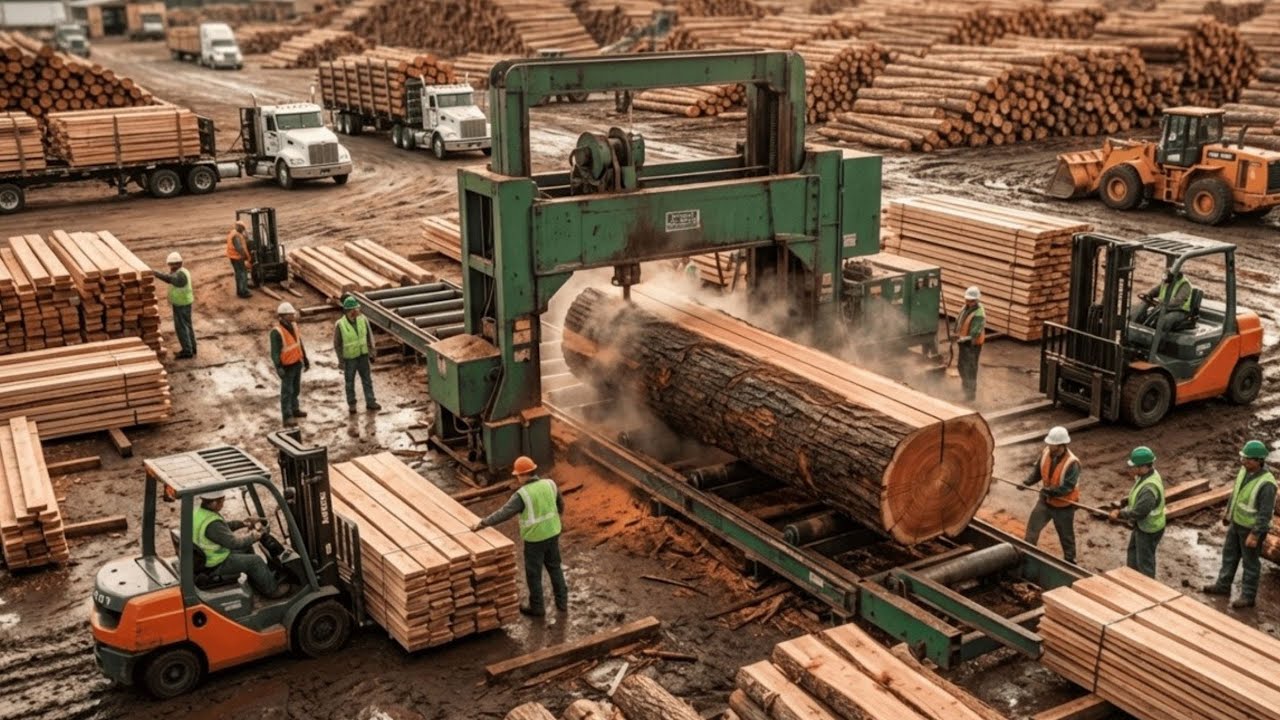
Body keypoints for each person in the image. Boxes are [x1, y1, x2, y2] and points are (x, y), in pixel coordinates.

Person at [472, 456, 568, 618]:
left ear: (523, 475)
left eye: (517, 475)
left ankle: (537, 607)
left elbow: (504, 513)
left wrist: (483, 523)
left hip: (535, 539)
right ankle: (562, 603)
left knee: (534, 574)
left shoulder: (522, 495)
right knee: (555, 567)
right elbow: (560, 506)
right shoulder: (550, 484)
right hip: (553, 532)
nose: (517, 478)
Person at [1203, 440, 1275, 609]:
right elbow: (1236, 494)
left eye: (1248, 459)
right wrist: (1228, 514)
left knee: (1250, 563)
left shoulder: (1267, 484)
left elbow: (1265, 513)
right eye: (1243, 458)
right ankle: (1223, 585)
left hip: (1251, 529)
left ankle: (1248, 596)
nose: (1243, 461)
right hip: (1236, 523)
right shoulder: (1244, 471)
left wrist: (1255, 534)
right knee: (1229, 555)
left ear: (1258, 461)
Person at [193, 490, 291, 599]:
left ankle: (258, 580)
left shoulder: (200, 513)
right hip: (215, 563)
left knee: (247, 547)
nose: (223, 504)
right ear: (214, 503)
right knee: (255, 561)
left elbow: (223, 527)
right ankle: (272, 590)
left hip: (209, 556)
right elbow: (234, 543)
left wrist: (243, 524)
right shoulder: (212, 524)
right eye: (222, 502)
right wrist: (253, 537)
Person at [1022, 426, 1080, 564]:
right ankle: (1027, 553)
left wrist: (1050, 491)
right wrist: (1026, 482)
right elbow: (1037, 472)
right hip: (1045, 501)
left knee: (1066, 536)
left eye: (1052, 444)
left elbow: (1067, 487)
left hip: (1063, 506)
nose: (1049, 445)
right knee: (1032, 528)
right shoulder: (1046, 453)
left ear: (1061, 445)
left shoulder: (1072, 463)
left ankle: (1070, 562)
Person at [1109, 446, 1167, 578]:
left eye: (1133, 466)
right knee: (1133, 554)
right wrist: (1125, 502)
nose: (1130, 469)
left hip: (1149, 529)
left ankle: (1147, 586)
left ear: (1143, 467)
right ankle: (1132, 579)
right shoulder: (1147, 475)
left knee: (1145, 563)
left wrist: (1119, 513)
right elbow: (1137, 494)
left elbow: (1139, 513)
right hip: (1142, 526)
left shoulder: (1149, 488)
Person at [333, 296, 381, 415]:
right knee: (349, 382)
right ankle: (352, 405)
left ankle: (370, 402)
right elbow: (337, 344)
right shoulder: (340, 324)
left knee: (367, 380)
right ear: (350, 311)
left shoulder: (363, 320)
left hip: (363, 356)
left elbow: (369, 336)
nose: (358, 310)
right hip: (349, 359)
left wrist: (372, 352)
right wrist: (341, 360)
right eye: (355, 309)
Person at [269, 302, 309, 427]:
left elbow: (299, 343)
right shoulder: (276, 332)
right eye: (290, 314)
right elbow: (275, 352)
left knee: (295, 389)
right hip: (287, 366)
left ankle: (294, 409)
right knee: (287, 391)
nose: (293, 315)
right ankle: (287, 416)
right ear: (283, 316)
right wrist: (278, 367)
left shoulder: (294, 326)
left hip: (297, 362)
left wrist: (305, 358)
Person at [153, 251, 196, 359]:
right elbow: (170, 276)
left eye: (171, 265)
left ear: (177, 264)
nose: (170, 267)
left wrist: (156, 273)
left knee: (182, 328)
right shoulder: (181, 271)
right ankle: (192, 348)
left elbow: (170, 279)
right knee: (187, 326)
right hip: (184, 303)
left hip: (182, 304)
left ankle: (187, 351)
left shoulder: (180, 275)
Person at [1130, 271, 1194, 332]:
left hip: (1179, 310)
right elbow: (1157, 290)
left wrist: (1162, 303)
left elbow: (1178, 301)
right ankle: (1132, 324)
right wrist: (1149, 294)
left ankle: (1159, 337)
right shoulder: (1167, 280)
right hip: (1164, 307)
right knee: (1141, 307)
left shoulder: (1185, 284)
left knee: (1165, 321)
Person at [954, 286, 985, 402]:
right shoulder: (966, 307)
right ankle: (965, 390)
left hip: (972, 345)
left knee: (970, 370)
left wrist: (962, 339)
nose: (968, 302)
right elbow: (960, 321)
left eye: (971, 300)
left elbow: (975, 334)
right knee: (961, 367)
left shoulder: (979, 314)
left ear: (976, 300)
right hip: (964, 343)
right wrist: (956, 333)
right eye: (967, 300)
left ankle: (970, 396)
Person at [227, 220, 252, 299]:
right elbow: (239, 248)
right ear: (240, 228)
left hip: (233, 257)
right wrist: (245, 258)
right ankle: (243, 292)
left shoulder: (234, 233)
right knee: (242, 274)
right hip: (238, 258)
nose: (243, 230)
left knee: (238, 274)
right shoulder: (236, 236)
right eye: (242, 228)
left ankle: (240, 291)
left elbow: (243, 240)